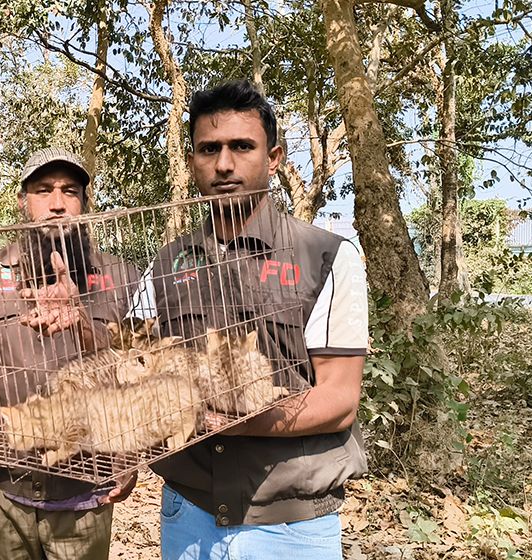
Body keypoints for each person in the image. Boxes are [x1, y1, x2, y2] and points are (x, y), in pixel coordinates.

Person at [130, 80, 369, 559]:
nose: (223, 164)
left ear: (274, 157)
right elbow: (131, 364)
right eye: (208, 149)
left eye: (242, 146)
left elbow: (340, 398)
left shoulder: (326, 257)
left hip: (289, 525)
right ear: (192, 160)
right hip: (187, 511)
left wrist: (234, 422)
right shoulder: (167, 264)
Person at [0, 148, 139, 560]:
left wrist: (131, 455)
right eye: (43, 190)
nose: (57, 203)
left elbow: (134, 374)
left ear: (85, 203)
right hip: (5, 492)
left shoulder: (120, 277)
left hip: (87, 495)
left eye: (70, 191)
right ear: (23, 202)